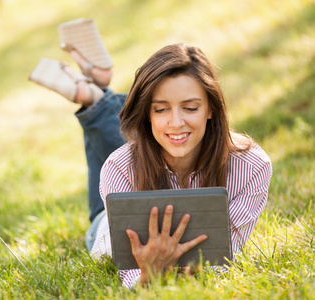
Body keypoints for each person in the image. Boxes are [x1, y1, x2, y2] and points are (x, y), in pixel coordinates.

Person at [29, 19, 272, 288]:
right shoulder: (119, 167)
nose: (177, 121)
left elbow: (225, 254)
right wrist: (149, 278)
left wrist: (182, 272)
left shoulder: (251, 165)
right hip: (106, 224)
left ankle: (93, 91)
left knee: (138, 143)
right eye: (160, 109)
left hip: (140, 157)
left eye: (191, 108)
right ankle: (93, 94)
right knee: (120, 159)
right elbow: (128, 267)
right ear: (147, 113)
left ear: (211, 109)